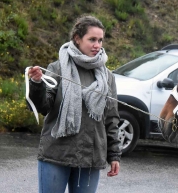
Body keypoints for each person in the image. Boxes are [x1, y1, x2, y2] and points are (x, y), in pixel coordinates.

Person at [27, 15, 121, 193]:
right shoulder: (57, 68)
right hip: (56, 154)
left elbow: (111, 119)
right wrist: (37, 84)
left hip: (90, 158)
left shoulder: (107, 76)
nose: (97, 45)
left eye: (100, 40)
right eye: (92, 39)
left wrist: (114, 154)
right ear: (77, 39)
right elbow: (43, 107)